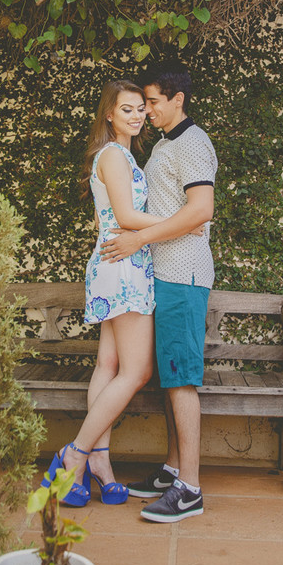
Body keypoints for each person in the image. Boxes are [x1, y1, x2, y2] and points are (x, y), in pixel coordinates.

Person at [41, 78, 170, 506]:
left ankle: (99, 459)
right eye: (126, 109)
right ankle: (74, 453)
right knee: (136, 373)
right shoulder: (114, 155)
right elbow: (127, 216)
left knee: (109, 364)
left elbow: (112, 219)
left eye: (139, 109)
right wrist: (185, 221)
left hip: (117, 264)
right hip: (124, 267)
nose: (135, 116)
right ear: (109, 114)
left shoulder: (121, 156)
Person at [99, 61, 216, 523]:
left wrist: (139, 238)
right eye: (142, 103)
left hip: (182, 275)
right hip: (162, 273)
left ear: (176, 100)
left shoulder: (192, 142)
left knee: (182, 377)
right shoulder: (169, 143)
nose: (146, 110)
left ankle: (190, 489)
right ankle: (173, 470)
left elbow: (200, 209)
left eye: (152, 101)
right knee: (171, 375)